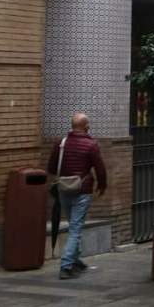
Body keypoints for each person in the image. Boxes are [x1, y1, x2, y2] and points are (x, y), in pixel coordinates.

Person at [48, 112, 107, 279]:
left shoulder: (60, 144)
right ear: (87, 127)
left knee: (74, 225)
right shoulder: (91, 145)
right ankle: (66, 266)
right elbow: (100, 168)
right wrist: (102, 185)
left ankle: (76, 261)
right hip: (82, 191)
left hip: (64, 190)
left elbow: (52, 168)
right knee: (76, 228)